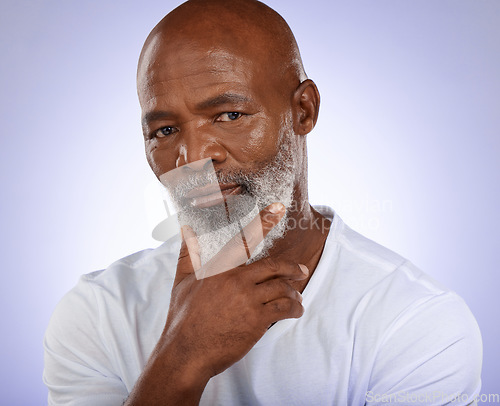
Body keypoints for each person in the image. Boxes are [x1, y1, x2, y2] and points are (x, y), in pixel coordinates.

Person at [43, 0, 483, 404]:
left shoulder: (416, 323)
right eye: (164, 131)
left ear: (303, 110)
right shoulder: (96, 314)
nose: (194, 158)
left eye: (229, 115)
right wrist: (180, 360)